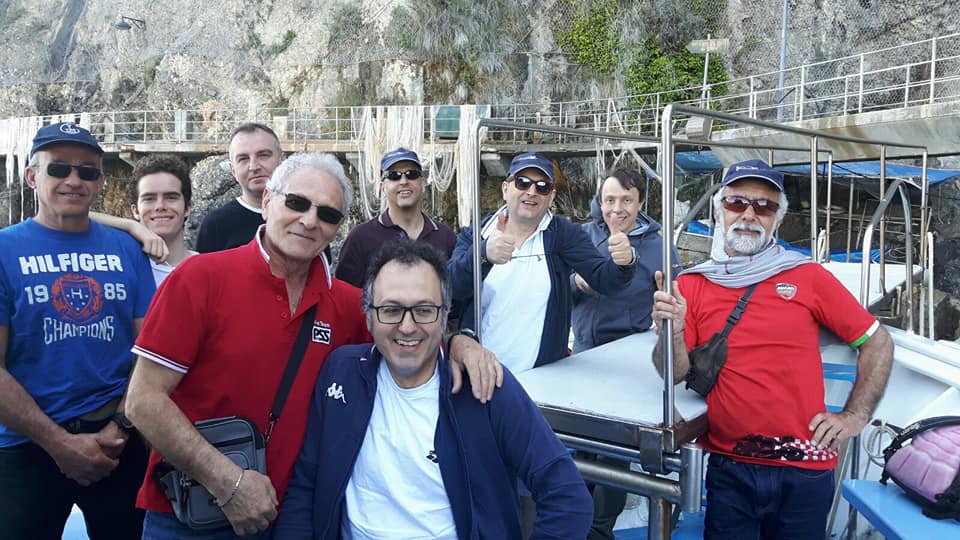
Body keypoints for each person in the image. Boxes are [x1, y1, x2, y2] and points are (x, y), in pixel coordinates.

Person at [125, 152, 501, 539]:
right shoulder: (199, 279)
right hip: (193, 514)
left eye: (327, 214)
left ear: (338, 228)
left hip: (292, 518)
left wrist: (460, 343)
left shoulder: (348, 306)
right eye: (297, 203)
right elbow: (143, 401)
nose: (309, 221)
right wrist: (229, 484)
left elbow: (410, 336)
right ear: (268, 200)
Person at [274, 239, 593, 540]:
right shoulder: (341, 374)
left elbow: (568, 497)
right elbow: (306, 484)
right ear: (369, 316)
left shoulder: (484, 386)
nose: (408, 326)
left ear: (444, 316)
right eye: (391, 309)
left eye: (424, 310)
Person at [651, 159, 894, 539]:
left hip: (806, 465)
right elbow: (675, 372)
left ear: (777, 220)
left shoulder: (807, 276)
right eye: (737, 203)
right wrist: (673, 330)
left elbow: (876, 340)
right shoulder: (693, 284)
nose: (749, 214)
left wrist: (854, 416)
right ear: (720, 212)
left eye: (764, 207)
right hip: (730, 464)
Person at [0, 122, 156, 539]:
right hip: (26, 446)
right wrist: (58, 443)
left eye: (88, 171)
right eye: (59, 169)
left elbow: (150, 352)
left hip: (116, 441)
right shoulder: (4, 250)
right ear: (32, 176)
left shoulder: (127, 249)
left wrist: (120, 427)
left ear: (100, 182)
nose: (74, 179)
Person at [448, 151, 636, 374]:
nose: (532, 192)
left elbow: (606, 281)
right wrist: (482, 255)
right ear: (505, 188)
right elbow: (450, 287)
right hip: (480, 376)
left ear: (551, 195)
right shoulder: (476, 234)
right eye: (522, 182)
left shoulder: (564, 235)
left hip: (541, 378)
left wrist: (625, 261)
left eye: (542, 186)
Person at [570, 168, 676, 540]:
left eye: (627, 200)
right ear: (600, 203)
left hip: (630, 364)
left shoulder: (660, 247)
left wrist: (665, 313)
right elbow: (558, 295)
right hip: (582, 360)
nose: (618, 209)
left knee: (613, 454)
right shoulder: (582, 238)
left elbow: (677, 301)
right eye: (610, 200)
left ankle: (600, 530)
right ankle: (574, 521)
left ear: (640, 203)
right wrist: (577, 282)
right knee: (577, 449)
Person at [334, 147, 456, 287]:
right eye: (394, 176)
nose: (403, 181)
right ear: (382, 187)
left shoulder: (445, 237)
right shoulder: (360, 238)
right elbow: (344, 294)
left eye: (411, 174)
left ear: (422, 184)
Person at [195, 122, 282, 253]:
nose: (254, 166)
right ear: (233, 170)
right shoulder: (217, 224)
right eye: (243, 159)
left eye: (263, 155)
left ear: (282, 160)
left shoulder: (305, 215)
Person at [128, 153, 197, 285]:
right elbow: (79, 218)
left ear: (187, 207)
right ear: (135, 210)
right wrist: (130, 226)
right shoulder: (124, 268)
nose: (160, 206)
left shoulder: (207, 268)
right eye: (149, 199)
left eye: (171, 197)